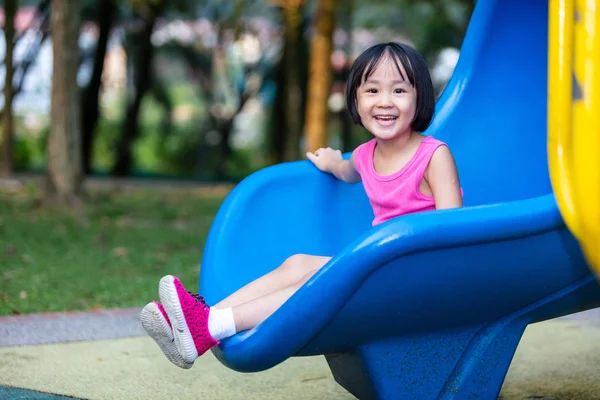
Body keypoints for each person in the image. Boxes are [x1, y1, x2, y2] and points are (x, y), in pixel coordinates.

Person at [140, 42, 463, 369]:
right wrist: (331, 162)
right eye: (372, 90)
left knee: (314, 283)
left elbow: (453, 229)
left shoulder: (433, 156)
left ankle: (211, 327)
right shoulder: (367, 155)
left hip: (418, 274)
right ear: (355, 100)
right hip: (377, 265)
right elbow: (347, 170)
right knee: (297, 264)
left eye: (398, 90)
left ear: (419, 97)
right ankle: (202, 319)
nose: (384, 102)